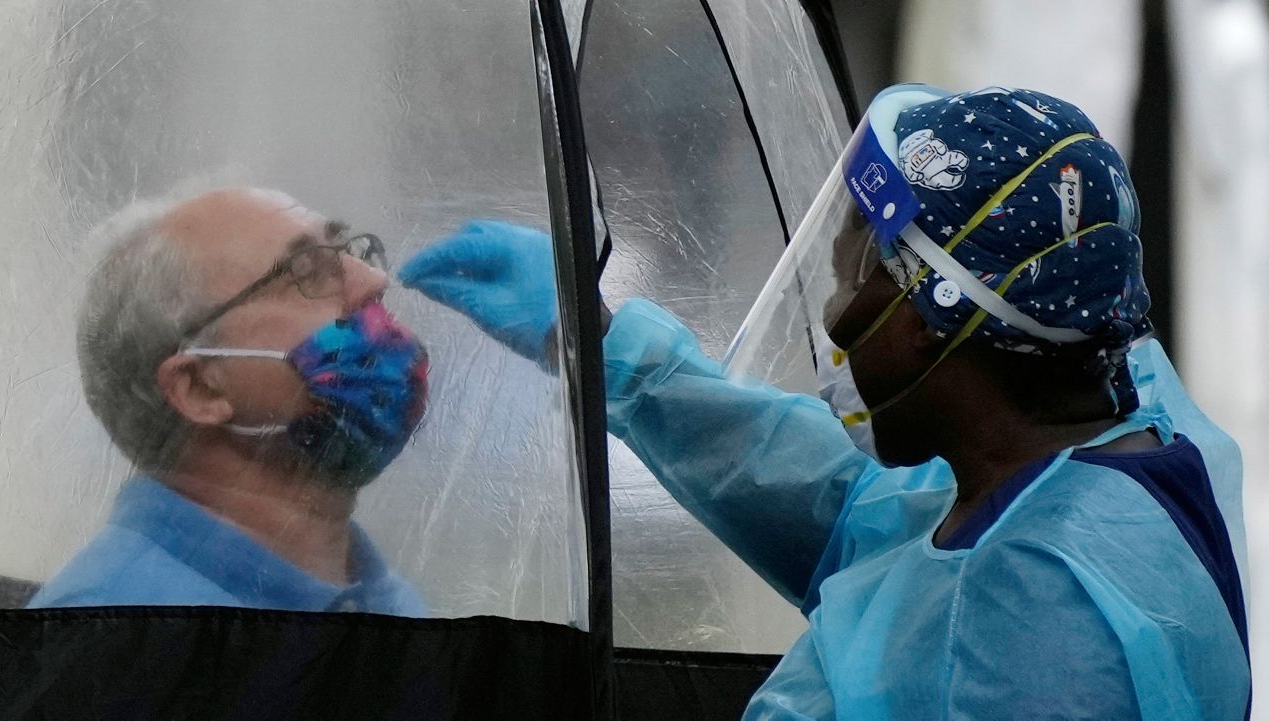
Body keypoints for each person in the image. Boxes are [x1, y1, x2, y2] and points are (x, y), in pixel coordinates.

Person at [400, 85, 1250, 718]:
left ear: (928, 321)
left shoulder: (1034, 635)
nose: (837, 313)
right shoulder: (1086, 453)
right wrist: (611, 347)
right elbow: (856, 512)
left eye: (852, 275)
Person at [30, 188, 430, 616]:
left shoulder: (384, 602)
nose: (374, 280)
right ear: (200, 387)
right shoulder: (113, 636)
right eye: (308, 271)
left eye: (349, 252)